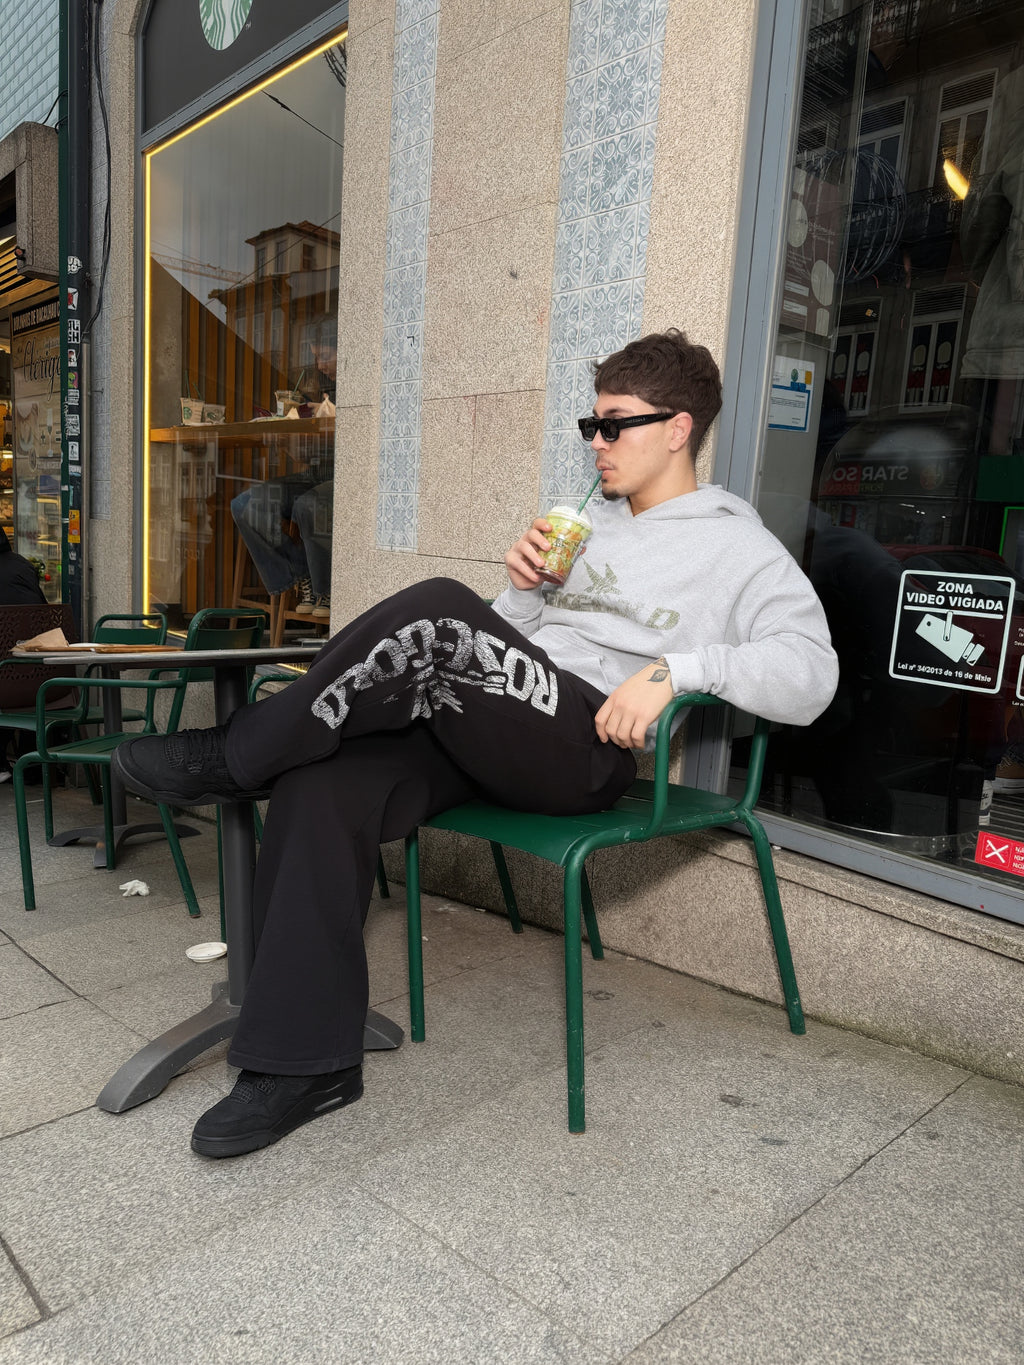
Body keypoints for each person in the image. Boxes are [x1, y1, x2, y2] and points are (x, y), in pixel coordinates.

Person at [113, 329, 839, 1159]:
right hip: (493, 729)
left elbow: (812, 675)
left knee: (437, 605)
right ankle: (303, 1064)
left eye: (615, 426)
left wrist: (679, 670)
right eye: (589, 426)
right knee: (322, 784)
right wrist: (523, 595)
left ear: (678, 429)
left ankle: (237, 755)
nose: (596, 444)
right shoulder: (590, 523)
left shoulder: (734, 545)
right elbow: (507, 646)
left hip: (583, 748)